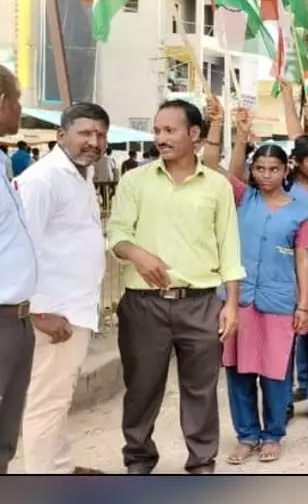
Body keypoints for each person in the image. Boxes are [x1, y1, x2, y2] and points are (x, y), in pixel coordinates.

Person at [107, 99, 243, 474]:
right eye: (157, 130)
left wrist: (231, 304)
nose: (161, 138)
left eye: (170, 130)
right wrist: (137, 253)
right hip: (143, 305)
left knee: (200, 391)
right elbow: (116, 232)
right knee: (141, 389)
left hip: (200, 305)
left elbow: (229, 247)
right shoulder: (135, 180)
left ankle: (201, 464)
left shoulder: (216, 186)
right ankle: (138, 460)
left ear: (194, 134)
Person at [201, 111, 308, 465]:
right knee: (238, 370)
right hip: (239, 299)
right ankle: (246, 435)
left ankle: (273, 434)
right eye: (260, 168)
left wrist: (304, 306)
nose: (266, 175)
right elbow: (212, 164)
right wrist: (234, 131)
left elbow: (303, 262)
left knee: (276, 371)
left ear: (286, 171)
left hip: (280, 301)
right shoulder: (241, 197)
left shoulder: (301, 211)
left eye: (274, 169)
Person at [15, 103, 109, 474]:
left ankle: (60, 467)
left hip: (74, 308)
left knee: (59, 397)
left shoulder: (78, 174)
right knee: (46, 403)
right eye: (85, 133)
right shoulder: (44, 179)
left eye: (100, 134)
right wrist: (38, 310)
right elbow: (19, 248)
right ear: (62, 134)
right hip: (53, 313)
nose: (94, 141)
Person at [0, 64, 36, 474]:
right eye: (18, 99)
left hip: (17, 321)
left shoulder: (4, 163)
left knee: (5, 438)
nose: (21, 108)